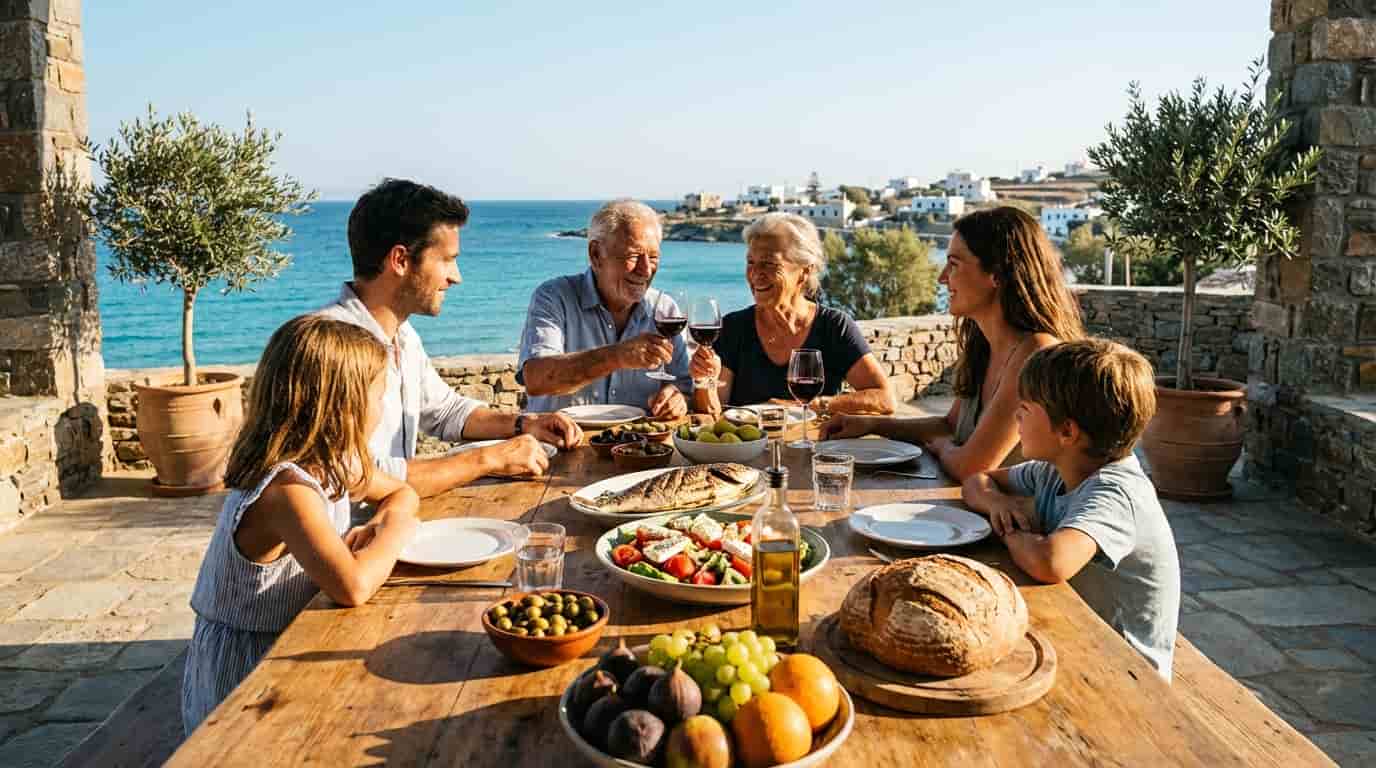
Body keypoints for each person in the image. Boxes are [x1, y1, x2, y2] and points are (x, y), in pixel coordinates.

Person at [182, 316, 421, 733]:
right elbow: (353, 587)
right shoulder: (286, 490)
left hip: (294, 639)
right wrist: (396, 529)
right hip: (248, 672)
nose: (383, 409)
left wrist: (387, 519)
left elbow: (402, 492)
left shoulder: (334, 463)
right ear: (343, 405)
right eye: (379, 396)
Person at [318, 179, 582, 497]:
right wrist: (488, 458)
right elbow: (351, 475)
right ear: (400, 260)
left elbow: (444, 412)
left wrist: (527, 424)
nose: (456, 277)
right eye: (446, 259)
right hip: (348, 540)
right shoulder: (330, 349)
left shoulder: (403, 336)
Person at [961, 339, 1181, 681]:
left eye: (1027, 408)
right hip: (1084, 639)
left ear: (1067, 431)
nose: (1016, 413)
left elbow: (1051, 562)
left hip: (1125, 672)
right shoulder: (1054, 469)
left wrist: (1010, 530)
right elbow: (978, 481)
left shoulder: (1116, 492)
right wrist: (998, 503)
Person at [821, 206, 1083, 481]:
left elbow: (972, 466)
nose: (942, 277)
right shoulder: (983, 344)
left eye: (954, 264)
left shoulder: (1036, 352)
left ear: (997, 274)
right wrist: (870, 424)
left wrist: (943, 447)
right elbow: (950, 426)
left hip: (1021, 519)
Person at [689, 212, 894, 416]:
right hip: (750, 447)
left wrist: (811, 406)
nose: (755, 273)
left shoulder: (833, 326)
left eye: (769, 263)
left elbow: (884, 399)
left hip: (814, 445)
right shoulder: (733, 327)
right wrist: (704, 381)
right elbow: (711, 414)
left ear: (804, 271)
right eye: (750, 262)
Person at [518, 199, 691, 418]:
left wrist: (676, 398)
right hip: (559, 447)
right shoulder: (553, 297)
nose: (646, 270)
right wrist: (617, 356)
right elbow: (537, 379)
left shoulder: (665, 309)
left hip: (637, 449)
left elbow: (684, 389)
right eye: (633, 256)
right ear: (596, 255)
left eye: (654, 257)